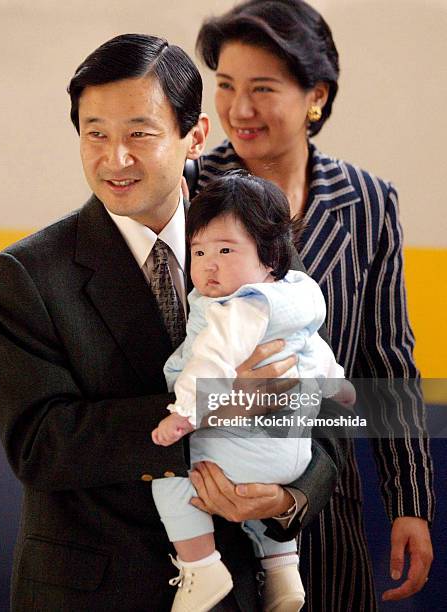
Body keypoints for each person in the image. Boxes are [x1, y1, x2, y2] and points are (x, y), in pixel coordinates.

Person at [0, 34, 347, 611]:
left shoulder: (251, 238)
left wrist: (286, 500)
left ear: (195, 136)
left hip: (244, 590)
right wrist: (220, 403)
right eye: (95, 133)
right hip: (94, 594)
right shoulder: (22, 276)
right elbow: (40, 446)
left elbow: (322, 407)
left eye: (139, 134)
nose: (114, 158)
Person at [191, 1, 435, 610]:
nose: (238, 110)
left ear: (316, 97)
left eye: (262, 88)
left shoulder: (368, 202)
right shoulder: (189, 190)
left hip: (321, 500)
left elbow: (386, 362)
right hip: (209, 500)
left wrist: (409, 503)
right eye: (225, 86)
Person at [151, 172, 355, 612]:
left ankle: (201, 566)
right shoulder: (294, 297)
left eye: (225, 251)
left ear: (270, 258)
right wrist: (337, 383)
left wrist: (187, 411)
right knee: (262, 521)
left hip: (236, 457)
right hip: (290, 455)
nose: (208, 264)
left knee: (170, 483)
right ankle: (283, 571)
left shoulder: (235, 308)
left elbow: (211, 360)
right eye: (199, 251)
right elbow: (314, 350)